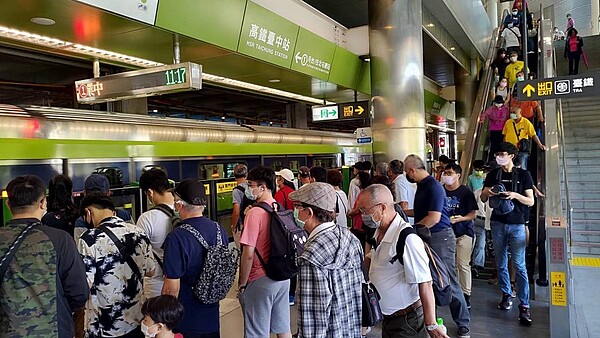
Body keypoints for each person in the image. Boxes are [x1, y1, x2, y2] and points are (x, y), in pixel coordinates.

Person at [0, 175, 89, 338]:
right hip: (54, 331)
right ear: (43, 203)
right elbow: (79, 294)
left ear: (8, 204)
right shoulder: (61, 240)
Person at [359, 184, 448, 338]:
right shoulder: (379, 232)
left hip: (407, 321)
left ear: (382, 208)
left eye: (364, 210)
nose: (362, 215)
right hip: (388, 318)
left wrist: (431, 323)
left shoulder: (407, 238)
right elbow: (373, 260)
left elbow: (425, 282)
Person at [403, 155, 471, 338]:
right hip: (427, 236)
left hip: (440, 237)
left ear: (412, 170)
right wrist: (400, 211)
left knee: (447, 279)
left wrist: (411, 230)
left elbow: (434, 218)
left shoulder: (433, 187)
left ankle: (463, 322)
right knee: (428, 279)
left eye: (406, 172)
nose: (406, 175)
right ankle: (432, 320)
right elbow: (421, 213)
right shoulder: (423, 186)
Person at [289, 182, 363, 337]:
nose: (294, 212)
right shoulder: (351, 238)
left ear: (309, 212)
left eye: (297, 207)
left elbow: (313, 318)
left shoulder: (311, 257)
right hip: (350, 330)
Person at [78, 192, 155, 338]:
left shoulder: (88, 239)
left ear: (88, 212)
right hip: (135, 319)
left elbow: (85, 284)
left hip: (104, 326)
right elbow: (151, 271)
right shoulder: (138, 232)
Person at [162, 179, 228, 337]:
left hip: (187, 319)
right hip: (212, 315)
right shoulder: (219, 230)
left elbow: (171, 288)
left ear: (179, 204)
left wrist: (165, 319)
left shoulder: (177, 237)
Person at [480, 142, 534, 326]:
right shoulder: (493, 174)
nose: (498, 157)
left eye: (502, 154)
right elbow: (483, 198)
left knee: (519, 265)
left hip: (517, 224)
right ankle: (506, 294)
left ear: (512, 155)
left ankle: (524, 305)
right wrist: (487, 192)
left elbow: (530, 201)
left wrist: (514, 195)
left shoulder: (524, 175)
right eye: (497, 154)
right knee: (501, 262)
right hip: (497, 222)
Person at [237, 166, 292, 338]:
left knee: (257, 332)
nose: (248, 188)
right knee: (283, 327)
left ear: (263, 187)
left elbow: (248, 254)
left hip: (260, 279)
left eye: (251, 184)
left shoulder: (254, 213)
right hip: (282, 277)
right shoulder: (278, 206)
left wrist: (242, 283)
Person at [442, 163, 478, 309]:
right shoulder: (440, 191)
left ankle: (465, 294)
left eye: (449, 173)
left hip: (464, 232)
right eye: (445, 172)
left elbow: (473, 213)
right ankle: (450, 292)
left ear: (458, 175)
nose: (446, 175)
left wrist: (461, 218)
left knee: (462, 264)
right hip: (445, 233)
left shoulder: (466, 192)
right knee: (448, 265)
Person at [137, 168, 176, 300]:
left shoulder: (147, 218)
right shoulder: (185, 209)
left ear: (150, 192)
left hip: (156, 286)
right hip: (183, 283)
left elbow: (140, 256)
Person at [74, 173, 132, 239]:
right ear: (109, 193)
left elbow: (81, 247)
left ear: (85, 194)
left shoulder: (81, 222)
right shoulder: (125, 216)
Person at [347, 171, 373, 249]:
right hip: (363, 225)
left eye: (358, 178)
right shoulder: (369, 193)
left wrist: (350, 214)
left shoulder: (362, 194)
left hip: (359, 225)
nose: (356, 180)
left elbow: (358, 209)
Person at [388, 159, 416, 224]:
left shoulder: (398, 183)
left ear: (391, 172)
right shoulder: (405, 179)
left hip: (406, 221)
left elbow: (403, 203)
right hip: (411, 219)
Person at [471, 187, 490, 278]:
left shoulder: (494, 194)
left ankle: (477, 264)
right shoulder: (477, 192)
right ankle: (476, 264)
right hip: (477, 219)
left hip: (488, 220)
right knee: (479, 243)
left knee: (481, 243)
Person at [232, 164, 250, 244]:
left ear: (235, 176)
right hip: (251, 221)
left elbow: (236, 212)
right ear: (246, 174)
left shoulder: (236, 191)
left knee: (242, 250)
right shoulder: (251, 187)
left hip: (242, 224)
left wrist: (233, 226)